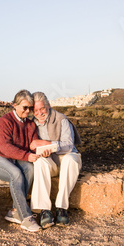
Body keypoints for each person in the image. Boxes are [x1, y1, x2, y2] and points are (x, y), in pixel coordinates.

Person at [0, 89, 42, 232]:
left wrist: (43, 148)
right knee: (16, 174)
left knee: (30, 169)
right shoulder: (5, 121)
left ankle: (15, 211)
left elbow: (33, 145)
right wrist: (27, 156)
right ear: (14, 105)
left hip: (15, 159)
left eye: (30, 108)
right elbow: (4, 147)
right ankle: (26, 218)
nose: (28, 111)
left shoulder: (30, 125)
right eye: (25, 107)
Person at [29, 91, 82, 228]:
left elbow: (69, 145)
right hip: (50, 161)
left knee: (70, 159)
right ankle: (45, 211)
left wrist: (47, 144)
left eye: (42, 108)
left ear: (48, 105)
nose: (39, 113)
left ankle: (61, 208)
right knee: (39, 162)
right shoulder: (31, 124)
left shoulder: (61, 119)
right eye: (35, 110)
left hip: (67, 158)